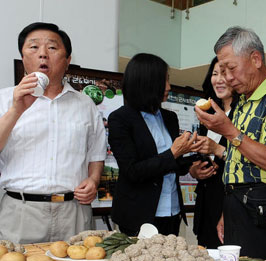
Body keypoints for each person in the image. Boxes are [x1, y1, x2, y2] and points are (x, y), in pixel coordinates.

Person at [0, 22, 106, 244]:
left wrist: (94, 180)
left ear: (67, 61)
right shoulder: (4, 99)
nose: (42, 55)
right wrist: (16, 109)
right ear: (23, 58)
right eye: (33, 47)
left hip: (74, 211)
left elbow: (96, 153)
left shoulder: (85, 104)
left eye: (52, 48)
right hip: (21, 211)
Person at [194, 27, 266, 260]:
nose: (226, 78)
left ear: (256, 59)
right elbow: (238, 161)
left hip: (263, 211)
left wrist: (227, 130)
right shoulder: (242, 102)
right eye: (222, 70)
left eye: (231, 68)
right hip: (235, 206)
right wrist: (227, 211)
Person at [108, 53, 202, 237]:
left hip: (172, 210)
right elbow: (132, 171)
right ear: (145, 83)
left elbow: (172, 164)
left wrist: (194, 163)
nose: (168, 86)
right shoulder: (120, 119)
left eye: (168, 80)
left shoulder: (169, 117)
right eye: (163, 80)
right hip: (139, 216)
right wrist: (173, 153)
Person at [190, 57, 238, 248]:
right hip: (206, 204)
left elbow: (250, 159)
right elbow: (199, 155)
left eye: (224, 73)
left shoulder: (243, 113)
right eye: (215, 74)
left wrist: (217, 150)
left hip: (230, 203)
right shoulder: (207, 116)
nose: (219, 79)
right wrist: (195, 170)